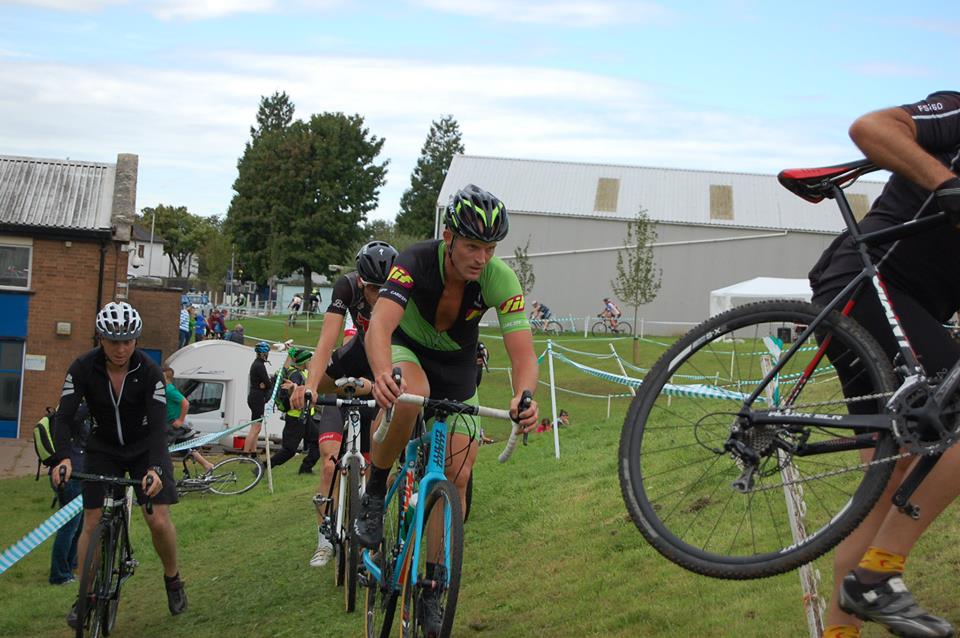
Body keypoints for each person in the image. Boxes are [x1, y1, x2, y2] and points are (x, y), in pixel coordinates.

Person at [806, 91, 960, 638]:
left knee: (891, 475)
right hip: (868, 283)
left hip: (908, 308)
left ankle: (843, 628)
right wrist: (946, 184)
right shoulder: (958, 109)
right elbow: (871, 127)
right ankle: (878, 576)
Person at [359, 184, 539, 633]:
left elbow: (523, 356)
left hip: (458, 367)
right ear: (448, 236)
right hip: (410, 352)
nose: (482, 257)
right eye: (473, 246)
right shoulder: (414, 261)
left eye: (491, 248)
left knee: (455, 478)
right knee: (406, 396)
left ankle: (434, 586)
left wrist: (523, 396)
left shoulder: (501, 279)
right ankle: (376, 488)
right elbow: (379, 326)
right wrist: (382, 372)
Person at [51, 301, 187, 627]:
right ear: (101, 339)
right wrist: (63, 457)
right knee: (92, 519)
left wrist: (155, 467)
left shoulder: (150, 372)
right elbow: (64, 418)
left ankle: (172, 578)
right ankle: (85, 596)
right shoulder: (82, 368)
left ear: (136, 340)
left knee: (157, 519)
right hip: (104, 448)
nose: (121, 348)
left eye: (128, 341)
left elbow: (157, 427)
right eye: (114, 341)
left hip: (145, 449)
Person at [289, 240, 398, 567]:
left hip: (381, 370)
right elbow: (326, 341)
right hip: (351, 365)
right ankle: (325, 537)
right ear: (362, 281)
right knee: (327, 463)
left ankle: (374, 531)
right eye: (374, 289)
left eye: (386, 288)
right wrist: (308, 387)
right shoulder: (346, 286)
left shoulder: (401, 291)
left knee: (383, 468)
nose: (380, 296)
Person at [48, 402, 90, 586]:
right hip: (71, 474)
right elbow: (68, 423)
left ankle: (71, 563)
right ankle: (59, 574)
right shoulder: (75, 409)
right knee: (69, 526)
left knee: (79, 524)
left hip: (79, 472)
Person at [269, 346, 320, 474]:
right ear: (305, 362)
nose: (312, 362)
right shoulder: (296, 375)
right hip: (296, 418)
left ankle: (305, 468)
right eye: (310, 360)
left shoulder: (305, 373)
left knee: (318, 443)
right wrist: (293, 387)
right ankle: (263, 467)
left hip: (306, 417)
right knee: (289, 450)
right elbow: (293, 394)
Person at [161, 366, 213, 473]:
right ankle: (208, 465)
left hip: (173, 424)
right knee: (187, 447)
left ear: (165, 377)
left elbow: (185, 403)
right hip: (173, 424)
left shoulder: (169, 389)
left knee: (161, 448)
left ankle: (167, 471)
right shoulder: (165, 389)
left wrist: (180, 420)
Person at [243, 341, 272, 457]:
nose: (267, 355)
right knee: (255, 428)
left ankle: (253, 452)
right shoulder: (260, 366)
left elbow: (266, 383)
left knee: (256, 427)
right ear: (262, 354)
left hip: (254, 396)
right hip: (257, 398)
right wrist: (267, 384)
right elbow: (268, 383)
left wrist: (265, 384)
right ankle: (245, 454)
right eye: (266, 353)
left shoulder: (256, 363)